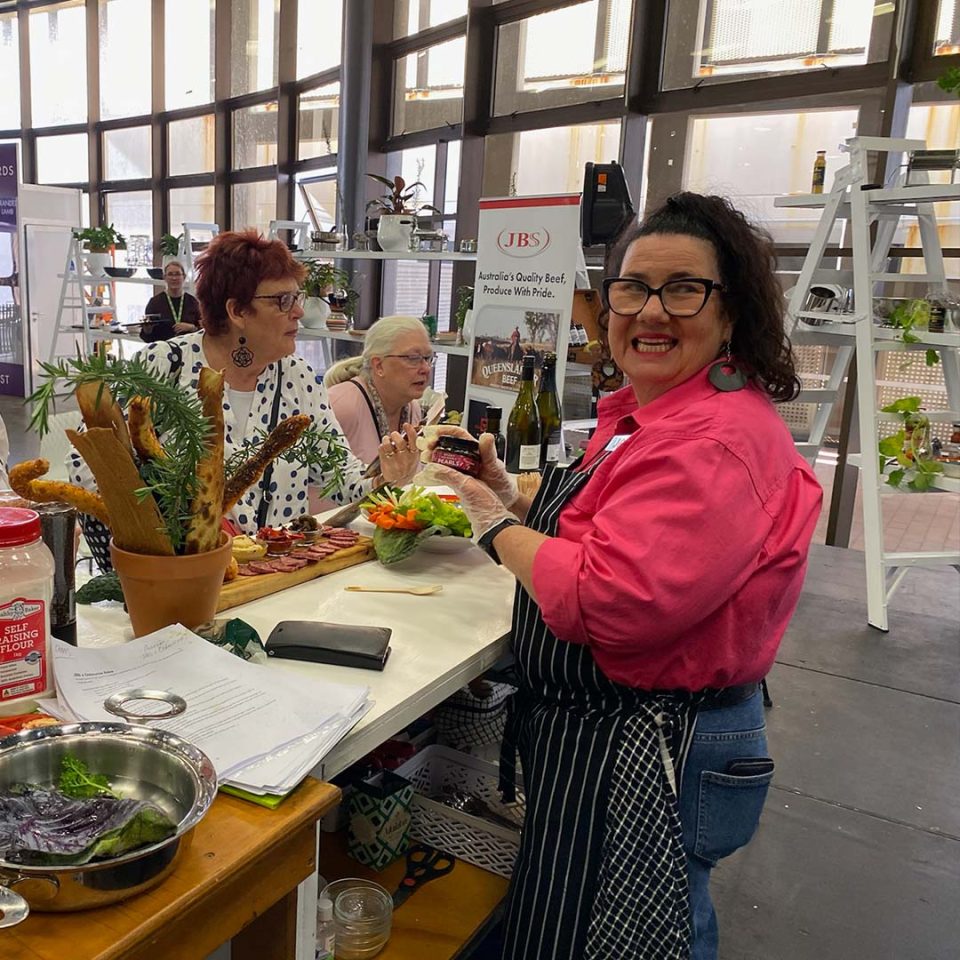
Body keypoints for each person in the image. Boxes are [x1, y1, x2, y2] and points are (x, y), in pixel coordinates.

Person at [424, 193, 823, 960]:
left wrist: (490, 520)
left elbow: (613, 599)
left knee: (645, 934)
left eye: (683, 289)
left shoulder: (713, 442)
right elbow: (605, 520)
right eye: (632, 288)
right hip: (612, 730)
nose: (651, 311)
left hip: (658, 740)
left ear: (731, 309)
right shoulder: (657, 411)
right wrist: (513, 493)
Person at [70, 231, 419, 562]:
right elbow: (85, 465)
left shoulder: (297, 377)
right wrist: (166, 507)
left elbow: (340, 479)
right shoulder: (163, 366)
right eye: (283, 300)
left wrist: (385, 477)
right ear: (236, 311)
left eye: (296, 298)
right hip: (182, 578)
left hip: (276, 577)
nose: (298, 311)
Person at [324, 315, 431, 464]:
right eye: (413, 358)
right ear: (379, 365)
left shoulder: (413, 408)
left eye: (428, 358)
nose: (426, 368)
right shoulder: (340, 405)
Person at [140, 261, 202, 340]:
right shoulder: (154, 303)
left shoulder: (193, 302)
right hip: (163, 349)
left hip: (188, 349)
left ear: (184, 277)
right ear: (164, 277)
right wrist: (147, 331)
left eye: (177, 274)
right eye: (170, 274)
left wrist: (192, 328)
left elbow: (203, 331)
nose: (174, 278)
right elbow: (146, 338)